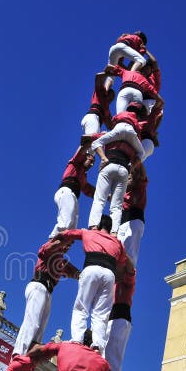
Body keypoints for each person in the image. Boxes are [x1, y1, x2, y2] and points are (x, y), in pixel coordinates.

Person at [44, 215, 128, 352]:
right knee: (101, 313)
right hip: (109, 275)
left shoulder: (88, 232)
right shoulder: (118, 243)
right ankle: (97, 345)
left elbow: (68, 234)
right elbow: (123, 264)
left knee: (81, 307)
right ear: (111, 228)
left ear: (99, 225)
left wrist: (57, 236)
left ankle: (77, 339)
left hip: (91, 269)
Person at [88, 104, 147, 233]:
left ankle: (93, 226)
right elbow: (141, 154)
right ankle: (114, 232)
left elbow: (95, 142)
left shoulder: (121, 115)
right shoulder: (137, 120)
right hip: (124, 168)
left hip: (110, 161)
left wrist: (103, 158)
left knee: (100, 199)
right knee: (117, 206)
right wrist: (131, 167)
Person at [13, 242, 79, 355]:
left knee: (41, 327)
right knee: (32, 321)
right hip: (39, 286)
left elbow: (78, 274)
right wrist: (60, 240)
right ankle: (19, 352)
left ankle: (29, 355)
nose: (67, 246)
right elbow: (44, 250)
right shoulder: (51, 251)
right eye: (67, 242)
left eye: (70, 244)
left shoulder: (62, 262)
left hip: (48, 292)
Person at [49, 137, 98, 239]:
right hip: (66, 191)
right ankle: (51, 241)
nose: (92, 164)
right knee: (65, 223)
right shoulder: (74, 164)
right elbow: (81, 150)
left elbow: (91, 191)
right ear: (85, 157)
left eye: (93, 163)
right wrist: (93, 139)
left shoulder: (83, 177)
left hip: (73, 196)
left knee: (71, 229)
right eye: (91, 160)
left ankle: (59, 249)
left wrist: (109, 196)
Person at [105, 269, 135, 371]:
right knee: (104, 355)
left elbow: (130, 271)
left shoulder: (126, 280)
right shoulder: (111, 282)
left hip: (120, 314)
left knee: (112, 359)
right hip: (110, 316)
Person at [117, 162, 148, 267]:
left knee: (129, 252)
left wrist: (138, 160)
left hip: (134, 220)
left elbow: (143, 174)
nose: (129, 176)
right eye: (128, 175)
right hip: (121, 223)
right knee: (118, 251)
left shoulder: (140, 187)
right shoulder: (120, 193)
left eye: (132, 174)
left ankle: (128, 275)